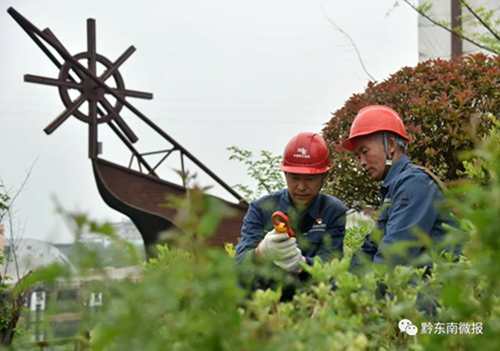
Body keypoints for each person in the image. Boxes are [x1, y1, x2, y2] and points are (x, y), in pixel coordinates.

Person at [342, 105, 454, 267]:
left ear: (391, 145)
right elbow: (370, 248)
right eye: (358, 156)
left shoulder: (414, 184)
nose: (362, 162)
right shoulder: (394, 188)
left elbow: (394, 257)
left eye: (365, 151)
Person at [235, 132, 347, 275]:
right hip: (266, 291)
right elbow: (239, 263)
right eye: (294, 178)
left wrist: (302, 264)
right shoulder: (261, 208)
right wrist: (260, 252)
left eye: (309, 179)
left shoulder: (333, 211)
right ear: (285, 175)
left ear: (324, 177)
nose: (301, 186)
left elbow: (331, 263)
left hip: (313, 292)